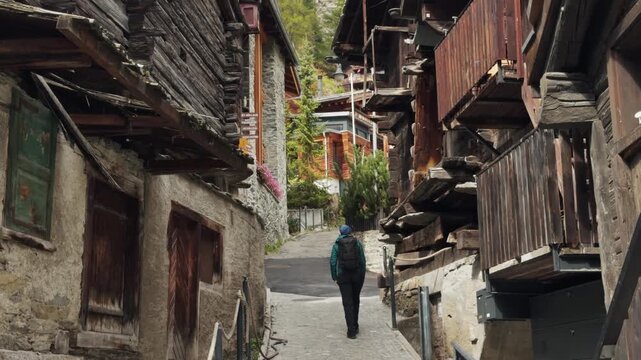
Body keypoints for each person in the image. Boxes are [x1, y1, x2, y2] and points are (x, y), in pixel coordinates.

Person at [330, 225, 366, 339]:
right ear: (350, 232)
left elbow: (332, 262)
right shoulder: (357, 243)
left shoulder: (337, 244)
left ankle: (351, 332)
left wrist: (335, 276)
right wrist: (362, 274)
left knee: (347, 303)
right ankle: (355, 326)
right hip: (357, 276)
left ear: (340, 232)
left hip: (343, 276)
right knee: (355, 300)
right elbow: (362, 260)